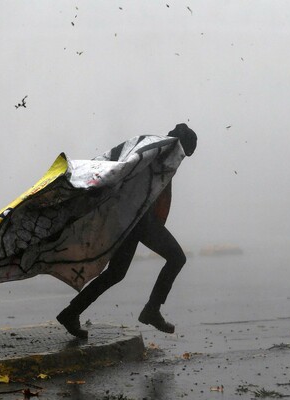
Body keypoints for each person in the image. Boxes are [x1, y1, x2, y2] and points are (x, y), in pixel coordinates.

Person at [57, 123, 197, 339]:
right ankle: (152, 309)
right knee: (177, 258)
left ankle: (71, 312)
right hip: (140, 220)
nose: (183, 158)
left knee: (115, 274)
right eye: (185, 153)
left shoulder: (158, 152)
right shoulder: (160, 152)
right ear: (181, 145)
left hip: (131, 220)